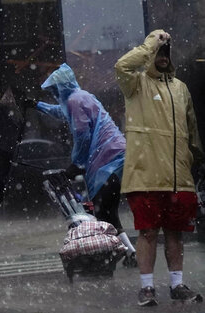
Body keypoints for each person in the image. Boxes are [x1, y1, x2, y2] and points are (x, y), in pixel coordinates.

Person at [115, 29, 204, 306]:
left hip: (178, 178)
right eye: (158, 52)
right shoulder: (136, 84)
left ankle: (177, 285)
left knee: (175, 233)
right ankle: (147, 287)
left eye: (166, 52)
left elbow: (191, 132)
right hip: (145, 175)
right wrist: (153, 41)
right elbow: (122, 65)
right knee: (148, 232)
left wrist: (197, 161)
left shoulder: (180, 88)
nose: (162, 56)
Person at [23, 63, 137, 267]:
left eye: (55, 90)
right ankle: (129, 252)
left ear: (62, 87)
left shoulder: (75, 100)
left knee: (103, 211)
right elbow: (61, 112)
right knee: (106, 211)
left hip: (108, 159)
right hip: (115, 156)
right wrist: (37, 105)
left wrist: (75, 164)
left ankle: (129, 253)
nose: (55, 94)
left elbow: (82, 135)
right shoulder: (80, 97)